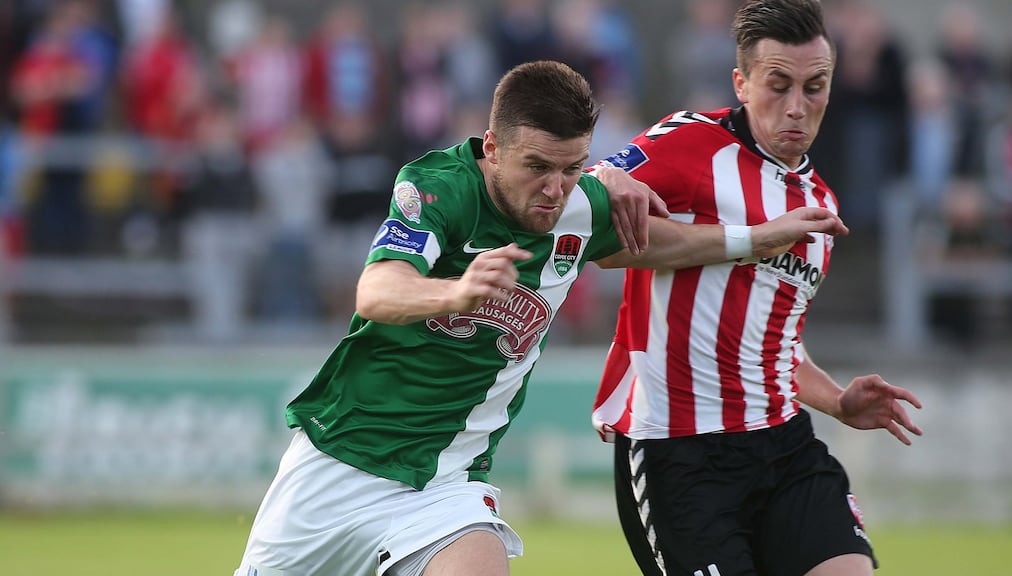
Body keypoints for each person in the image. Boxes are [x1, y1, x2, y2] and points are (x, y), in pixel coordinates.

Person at [233, 59, 848, 576]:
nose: (556, 190)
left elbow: (654, 243)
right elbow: (377, 288)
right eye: (538, 167)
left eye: (573, 167)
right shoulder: (438, 188)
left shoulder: (580, 204)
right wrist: (453, 294)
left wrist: (755, 239)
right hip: (341, 462)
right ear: (493, 148)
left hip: (446, 484)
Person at [590, 2, 924, 575]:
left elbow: (774, 342)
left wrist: (836, 401)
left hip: (784, 443)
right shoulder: (690, 143)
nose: (797, 107)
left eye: (814, 87)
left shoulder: (820, 205)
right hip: (679, 452)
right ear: (741, 83)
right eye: (778, 85)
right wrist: (752, 239)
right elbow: (600, 241)